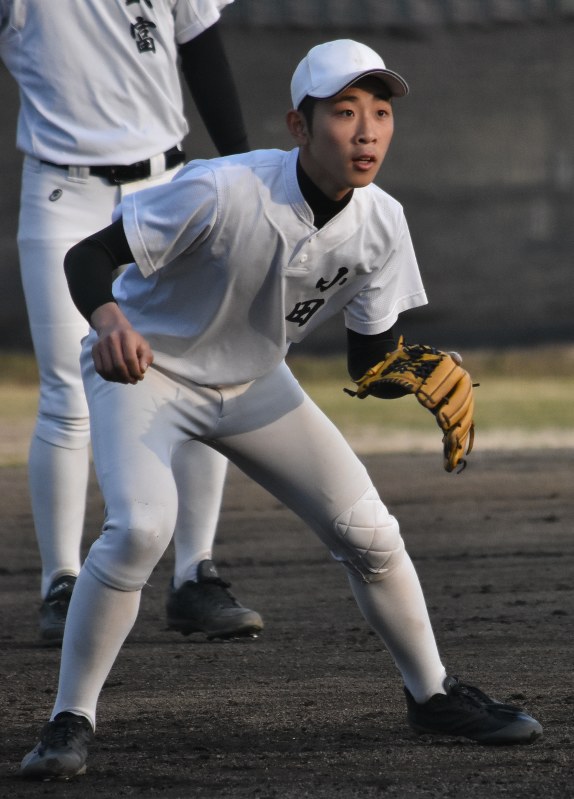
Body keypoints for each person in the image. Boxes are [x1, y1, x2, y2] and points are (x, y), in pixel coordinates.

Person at [18, 38, 542, 780]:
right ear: (300, 125)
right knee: (140, 528)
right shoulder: (222, 189)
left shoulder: (382, 222)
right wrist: (108, 322)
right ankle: (69, 718)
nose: (367, 131)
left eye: (381, 112)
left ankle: (432, 694)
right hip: (148, 374)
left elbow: (370, 360)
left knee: (372, 533)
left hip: (255, 384)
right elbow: (87, 257)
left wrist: (417, 373)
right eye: (345, 112)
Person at [0, 0, 263, 644]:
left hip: (169, 185)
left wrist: (244, 169)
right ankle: (61, 583)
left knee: (200, 374)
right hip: (63, 192)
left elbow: (203, 48)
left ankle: (193, 574)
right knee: (67, 392)